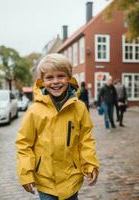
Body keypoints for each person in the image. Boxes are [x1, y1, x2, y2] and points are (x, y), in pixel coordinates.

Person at [15, 53, 99, 200]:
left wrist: (90, 164)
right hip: (45, 179)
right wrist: (26, 173)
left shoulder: (79, 108)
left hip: (71, 178)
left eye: (61, 76)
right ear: (42, 81)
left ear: (69, 78)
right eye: (49, 77)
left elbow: (85, 140)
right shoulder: (35, 110)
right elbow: (24, 144)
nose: (55, 82)